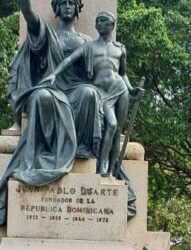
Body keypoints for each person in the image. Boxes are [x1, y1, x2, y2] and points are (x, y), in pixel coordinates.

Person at [0, 0, 136, 225]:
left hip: (78, 94)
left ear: (78, 9)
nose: (66, 6)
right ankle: (52, 149)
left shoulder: (86, 42)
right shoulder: (46, 33)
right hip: (52, 92)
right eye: (62, 3)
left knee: (90, 93)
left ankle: (83, 149)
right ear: (55, 8)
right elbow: (27, 12)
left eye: (71, 3)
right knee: (41, 97)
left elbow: (98, 79)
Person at [42, 11, 141, 177]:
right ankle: (101, 164)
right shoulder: (88, 46)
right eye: (98, 21)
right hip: (101, 92)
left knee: (117, 131)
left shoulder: (120, 48)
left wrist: (131, 89)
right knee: (111, 125)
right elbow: (69, 61)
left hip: (120, 90)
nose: (99, 24)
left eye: (103, 21)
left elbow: (122, 73)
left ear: (111, 25)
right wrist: (54, 74)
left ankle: (110, 170)